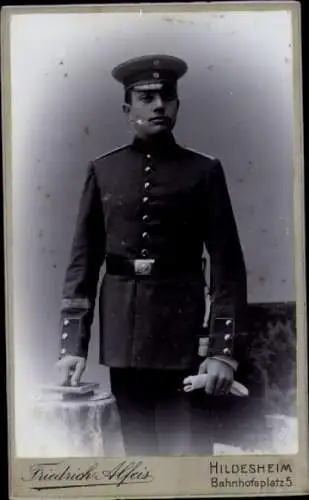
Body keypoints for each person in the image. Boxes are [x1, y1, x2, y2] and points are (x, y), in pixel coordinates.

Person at [55, 54, 249, 455]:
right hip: (122, 341)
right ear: (128, 110)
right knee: (138, 456)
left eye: (167, 96)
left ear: (178, 105)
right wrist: (72, 348)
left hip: (183, 341)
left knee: (187, 457)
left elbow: (227, 268)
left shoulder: (204, 171)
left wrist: (222, 352)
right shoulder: (103, 171)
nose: (159, 105)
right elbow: (83, 264)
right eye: (146, 97)